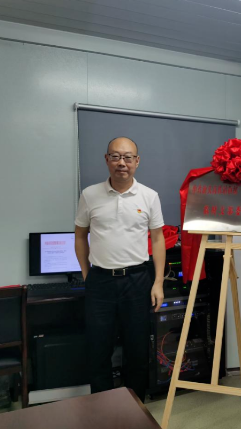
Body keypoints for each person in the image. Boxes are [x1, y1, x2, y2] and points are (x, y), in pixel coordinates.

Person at [74, 136, 166, 402]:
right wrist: (87, 274)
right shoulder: (90, 195)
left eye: (127, 157)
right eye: (115, 157)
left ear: (137, 161)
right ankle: (102, 409)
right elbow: (80, 235)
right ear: (107, 160)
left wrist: (158, 282)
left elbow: (158, 239)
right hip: (100, 282)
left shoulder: (149, 196)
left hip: (137, 281)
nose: (121, 163)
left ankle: (135, 408)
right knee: (98, 349)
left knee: (137, 349)